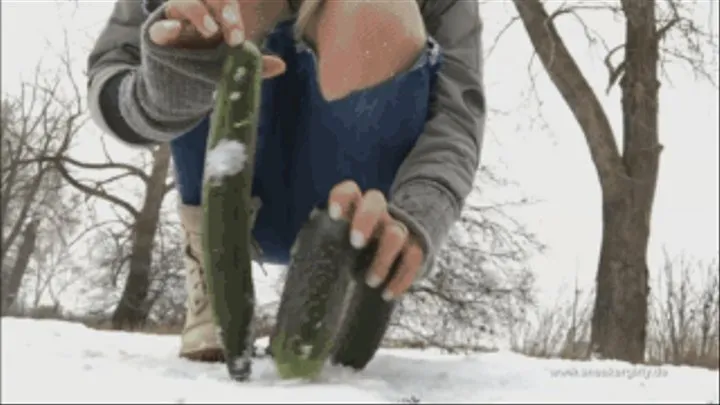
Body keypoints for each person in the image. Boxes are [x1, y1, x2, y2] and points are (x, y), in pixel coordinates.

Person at [87, 0, 485, 367]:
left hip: (350, 190)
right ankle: (213, 273)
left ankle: (339, 273)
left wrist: (419, 213)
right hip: (224, 181)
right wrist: (164, 92)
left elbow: (456, 113)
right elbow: (110, 73)